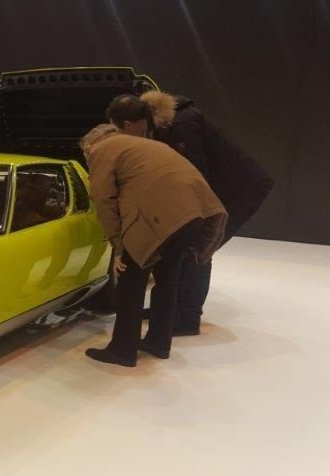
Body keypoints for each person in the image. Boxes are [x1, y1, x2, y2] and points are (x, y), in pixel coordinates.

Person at [107, 93, 275, 334]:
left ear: (129, 124)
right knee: (185, 248)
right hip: (218, 187)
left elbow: (195, 177)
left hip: (234, 191)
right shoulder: (164, 125)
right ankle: (170, 310)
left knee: (197, 251)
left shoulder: (181, 126)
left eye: (122, 132)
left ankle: (187, 319)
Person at [80, 124, 227, 368]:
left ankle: (122, 350)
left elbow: (103, 199)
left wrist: (118, 247)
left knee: (130, 282)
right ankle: (158, 343)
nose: (87, 160)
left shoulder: (102, 149)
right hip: (195, 214)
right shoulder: (145, 145)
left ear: (89, 145)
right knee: (167, 279)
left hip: (160, 220)